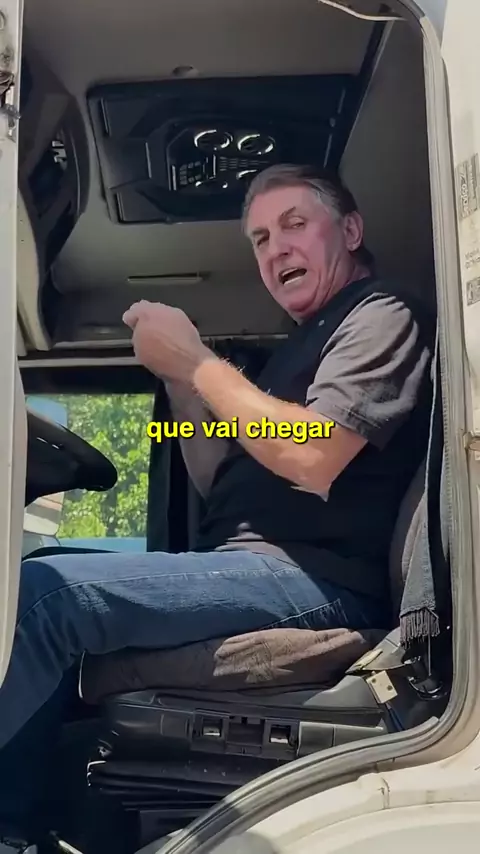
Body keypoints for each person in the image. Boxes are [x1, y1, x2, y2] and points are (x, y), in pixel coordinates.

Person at [0, 164, 433, 843]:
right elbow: (217, 480)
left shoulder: (383, 314)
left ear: (350, 230)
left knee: (44, 596)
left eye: (294, 224)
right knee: (38, 573)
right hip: (254, 565)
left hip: (315, 579)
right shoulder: (295, 350)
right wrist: (181, 384)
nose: (275, 249)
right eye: (260, 239)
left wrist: (199, 362)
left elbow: (314, 452)